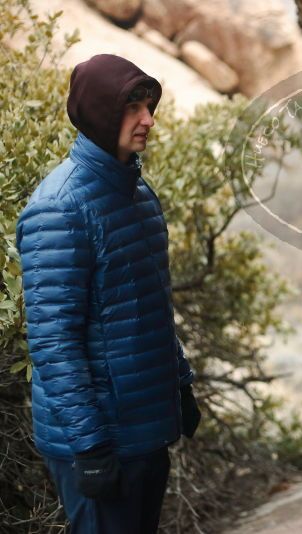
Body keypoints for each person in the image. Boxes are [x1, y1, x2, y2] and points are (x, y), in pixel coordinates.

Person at [16, 54, 201, 533]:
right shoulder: (58, 210)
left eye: (149, 105)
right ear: (100, 112)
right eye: (133, 107)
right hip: (101, 441)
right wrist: (91, 446)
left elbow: (151, 307)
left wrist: (179, 381)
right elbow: (54, 343)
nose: (148, 120)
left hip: (144, 429)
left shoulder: (139, 195)